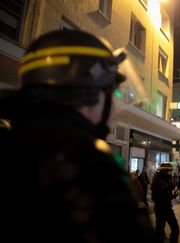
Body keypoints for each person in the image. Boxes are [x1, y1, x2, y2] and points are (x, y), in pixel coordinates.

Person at [0, 30, 155, 242]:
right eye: (110, 92)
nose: (112, 108)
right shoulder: (90, 167)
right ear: (90, 91)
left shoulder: (15, 141)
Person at [151, 162, 180, 243]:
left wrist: (174, 189)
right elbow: (156, 197)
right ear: (166, 171)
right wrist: (172, 195)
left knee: (175, 228)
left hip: (167, 208)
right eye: (170, 171)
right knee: (160, 231)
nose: (171, 172)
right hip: (161, 209)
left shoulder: (167, 179)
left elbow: (171, 186)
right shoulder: (157, 180)